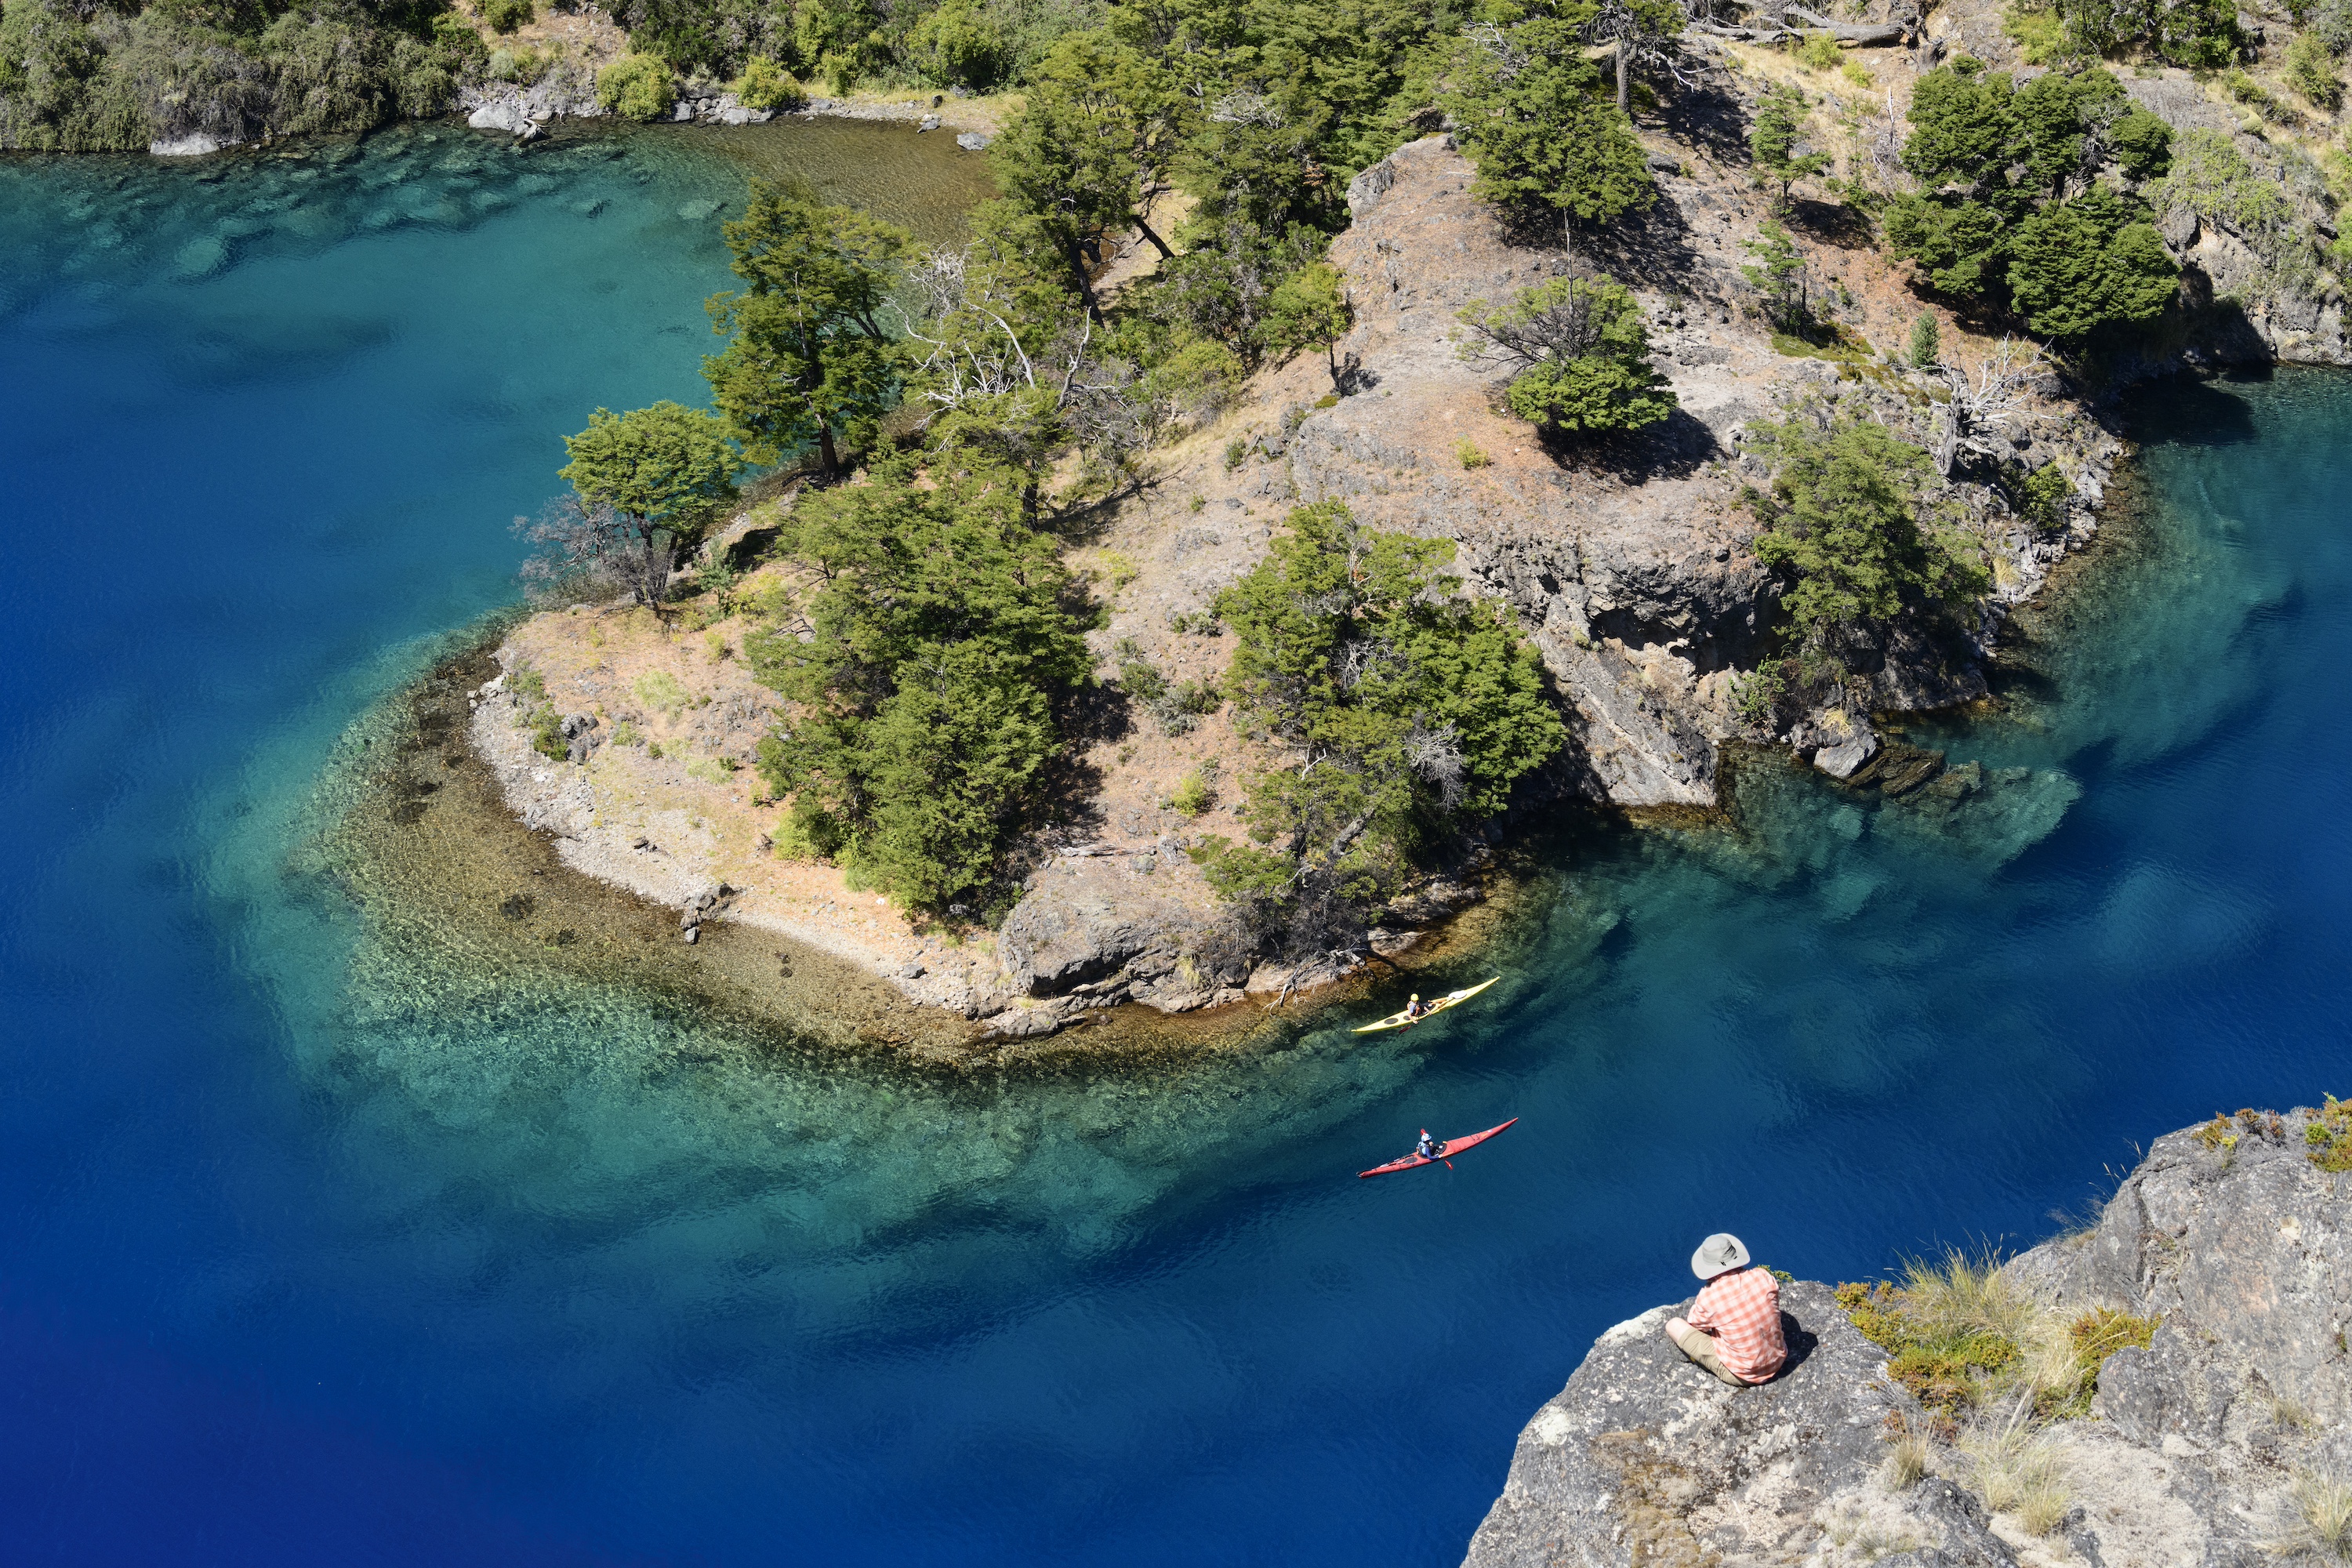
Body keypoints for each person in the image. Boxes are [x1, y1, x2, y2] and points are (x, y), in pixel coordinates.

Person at [1662, 1232, 1786, 1388]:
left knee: (1673, 1325)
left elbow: (1696, 1326)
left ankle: (1693, 1357)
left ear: (1707, 1268)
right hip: (1778, 1359)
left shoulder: (1709, 1298)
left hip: (1743, 1375)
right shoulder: (1762, 1276)